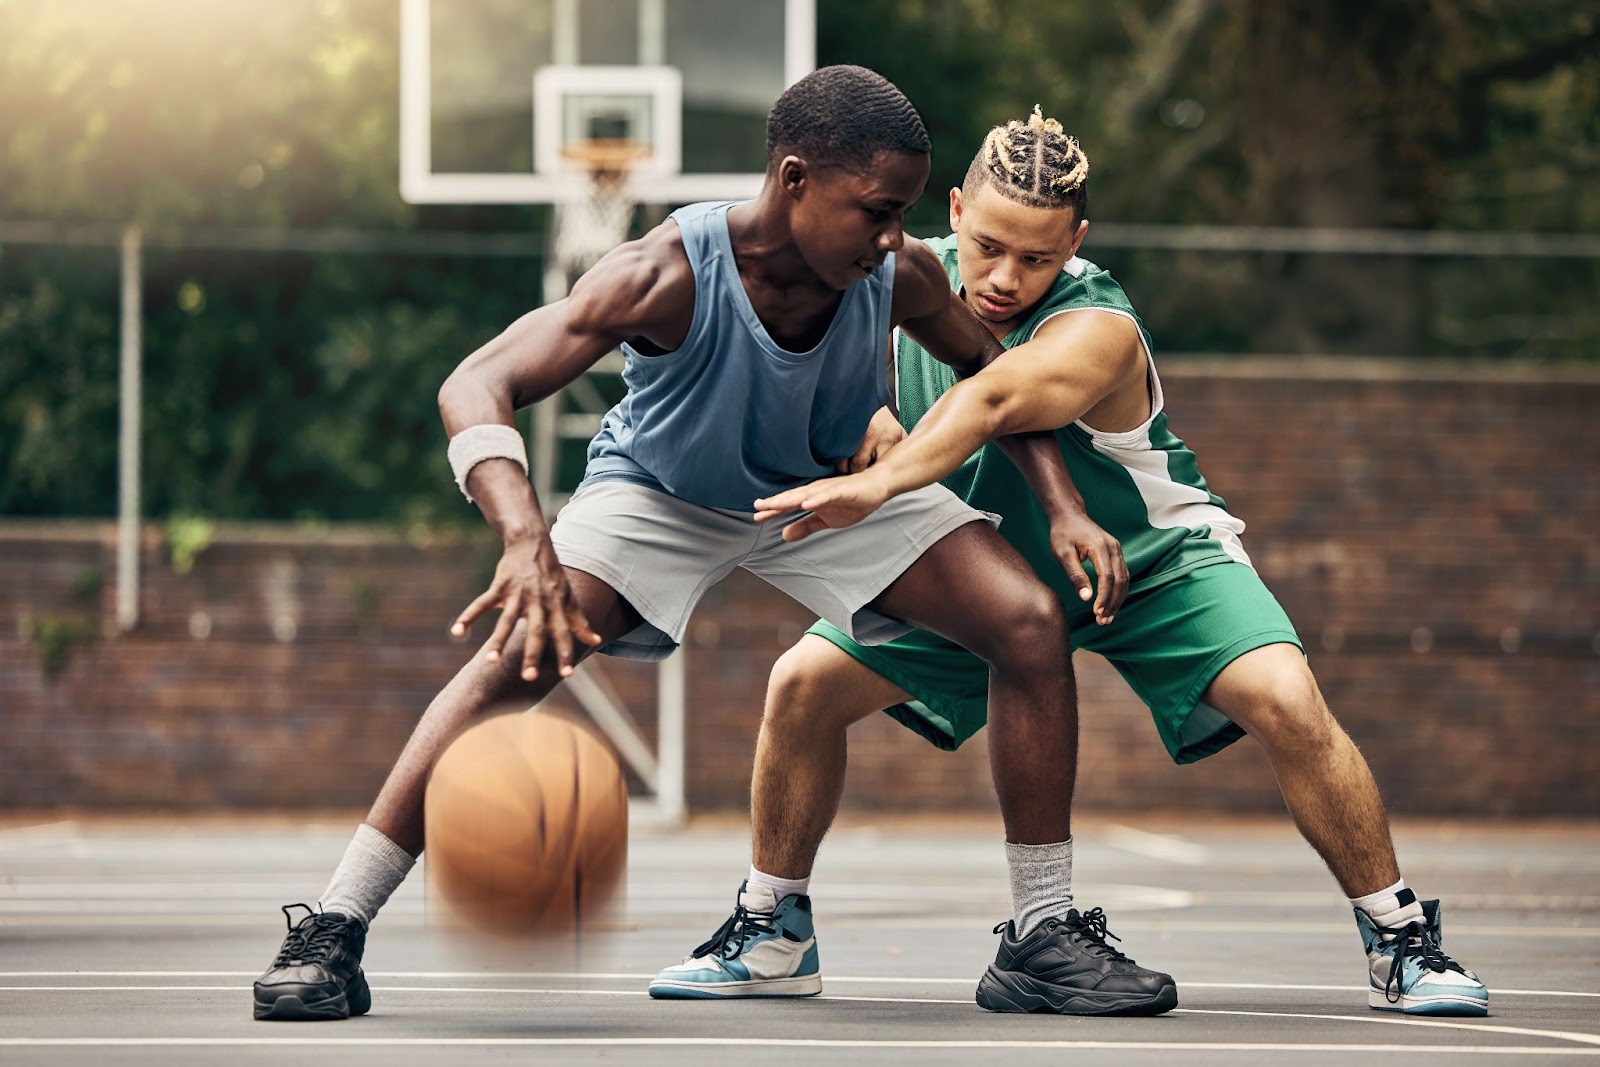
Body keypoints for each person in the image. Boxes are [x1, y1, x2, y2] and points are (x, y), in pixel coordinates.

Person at [252, 68, 1177, 1022]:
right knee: (515, 660)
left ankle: (1041, 934)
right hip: (661, 491)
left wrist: (1064, 506)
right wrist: (525, 537)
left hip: (820, 490)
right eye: (875, 210)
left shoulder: (894, 275)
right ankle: (332, 928)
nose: (896, 235)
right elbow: (475, 383)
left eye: (902, 212)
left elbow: (994, 369)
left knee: (1026, 619)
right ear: (793, 180)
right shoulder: (664, 273)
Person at [651, 108, 1489, 1019]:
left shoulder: (1100, 322)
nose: (1007, 278)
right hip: (977, 566)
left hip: (1149, 558)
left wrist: (884, 476)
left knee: (1289, 699)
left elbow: (998, 396)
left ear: (1076, 243)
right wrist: (857, 415)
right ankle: (773, 929)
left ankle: (1400, 941)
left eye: (1038, 258)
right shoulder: (888, 277)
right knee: (800, 687)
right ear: (957, 209)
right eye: (990, 247)